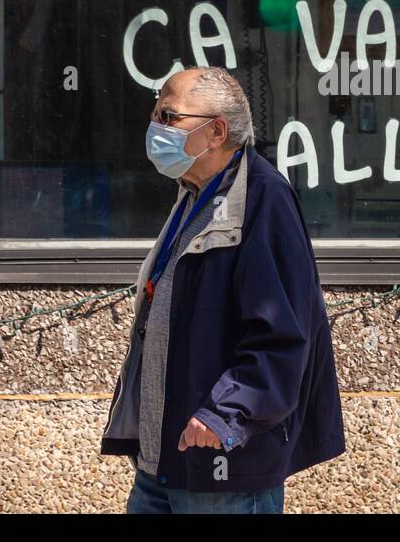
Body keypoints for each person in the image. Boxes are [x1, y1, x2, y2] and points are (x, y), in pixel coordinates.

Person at [100, 66, 345, 513]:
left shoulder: (262, 198)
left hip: (222, 467)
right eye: (155, 114)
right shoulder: (195, 195)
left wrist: (225, 414)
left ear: (215, 131)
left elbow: (282, 334)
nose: (155, 128)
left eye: (169, 116)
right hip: (163, 463)